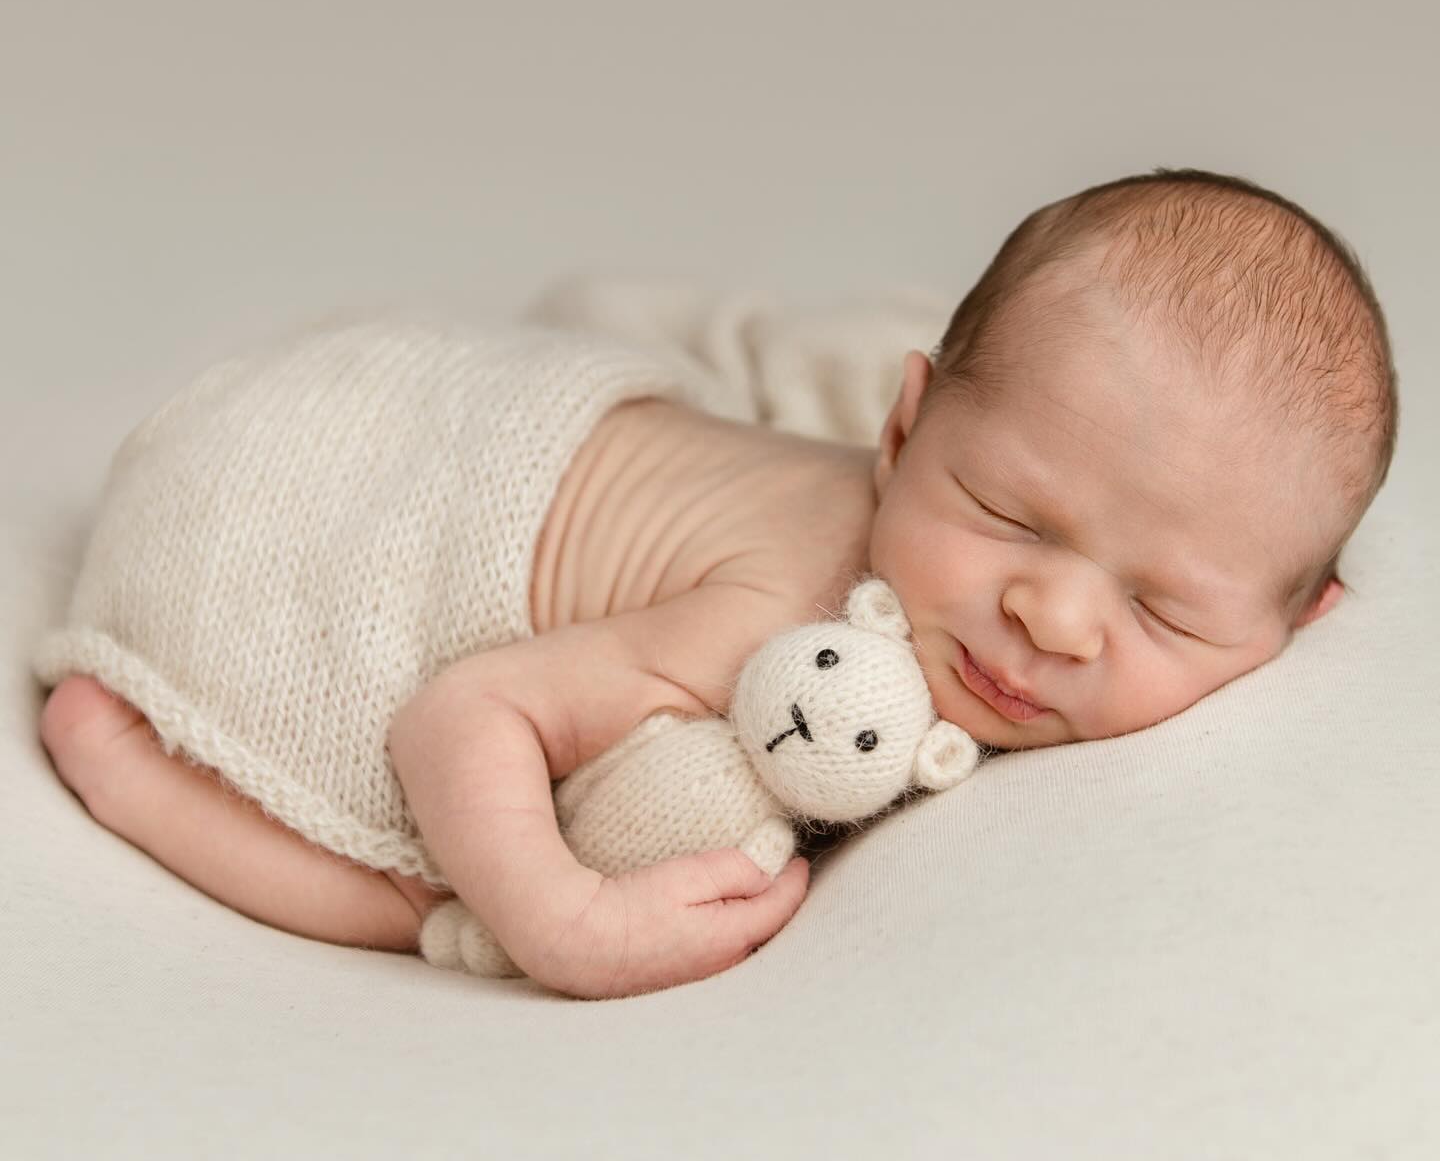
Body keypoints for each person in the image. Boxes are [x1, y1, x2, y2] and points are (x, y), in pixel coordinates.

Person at [34, 166, 1398, 999]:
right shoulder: (779, 601)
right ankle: (128, 770)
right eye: (1002, 510)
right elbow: (459, 719)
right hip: (317, 496)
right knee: (443, 895)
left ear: (1301, 621)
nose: (1051, 614)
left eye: (1163, 608)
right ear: (903, 427)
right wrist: (566, 923)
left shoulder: (1064, 585)